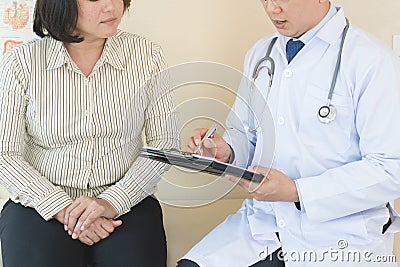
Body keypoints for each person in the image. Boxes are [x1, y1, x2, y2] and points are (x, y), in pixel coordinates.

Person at [178, 0, 400, 266]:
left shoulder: (372, 61)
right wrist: (225, 152)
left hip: (340, 236)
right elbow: (246, 136)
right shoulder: (261, 54)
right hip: (264, 224)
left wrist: (297, 191)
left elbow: (390, 170)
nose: (272, 9)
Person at [0, 0, 178, 266]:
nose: (111, 7)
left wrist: (110, 203)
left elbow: (164, 144)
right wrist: (63, 209)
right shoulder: (21, 63)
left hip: (125, 200)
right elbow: (5, 154)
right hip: (41, 204)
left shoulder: (147, 55)